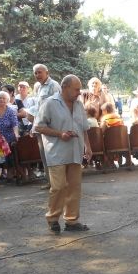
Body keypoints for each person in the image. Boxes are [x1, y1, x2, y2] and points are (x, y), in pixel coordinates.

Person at [35, 75, 92, 234]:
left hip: (75, 151)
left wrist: (88, 147)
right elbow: (38, 127)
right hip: (56, 152)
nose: (79, 93)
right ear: (65, 87)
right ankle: (53, 219)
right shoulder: (50, 103)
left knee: (74, 187)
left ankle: (71, 221)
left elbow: (84, 128)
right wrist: (60, 134)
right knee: (59, 187)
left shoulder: (79, 104)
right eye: (76, 89)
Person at [33, 63, 62, 187]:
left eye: (40, 72)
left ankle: (58, 182)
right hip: (40, 127)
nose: (37, 75)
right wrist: (34, 126)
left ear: (47, 72)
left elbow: (57, 106)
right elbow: (39, 108)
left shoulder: (53, 85)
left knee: (54, 155)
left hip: (51, 127)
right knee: (45, 156)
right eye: (35, 73)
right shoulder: (39, 87)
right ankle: (50, 182)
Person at [0, 91, 19, 181]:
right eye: (0, 98)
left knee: (9, 152)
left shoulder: (10, 110)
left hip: (7, 137)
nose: (1, 99)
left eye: (4, 98)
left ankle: (9, 172)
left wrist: (16, 134)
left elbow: (15, 124)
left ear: (7, 100)